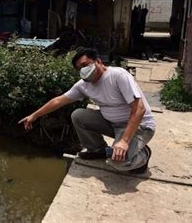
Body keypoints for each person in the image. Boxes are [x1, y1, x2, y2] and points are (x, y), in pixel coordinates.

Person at [18, 48, 155, 174]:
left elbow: (139, 108)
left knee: (118, 163)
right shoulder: (83, 85)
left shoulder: (118, 75)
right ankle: (97, 150)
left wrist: (124, 141)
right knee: (78, 115)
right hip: (112, 124)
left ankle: (143, 154)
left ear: (98, 61)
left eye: (85, 65)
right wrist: (34, 115)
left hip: (139, 126)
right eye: (79, 68)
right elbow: (59, 101)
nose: (83, 70)